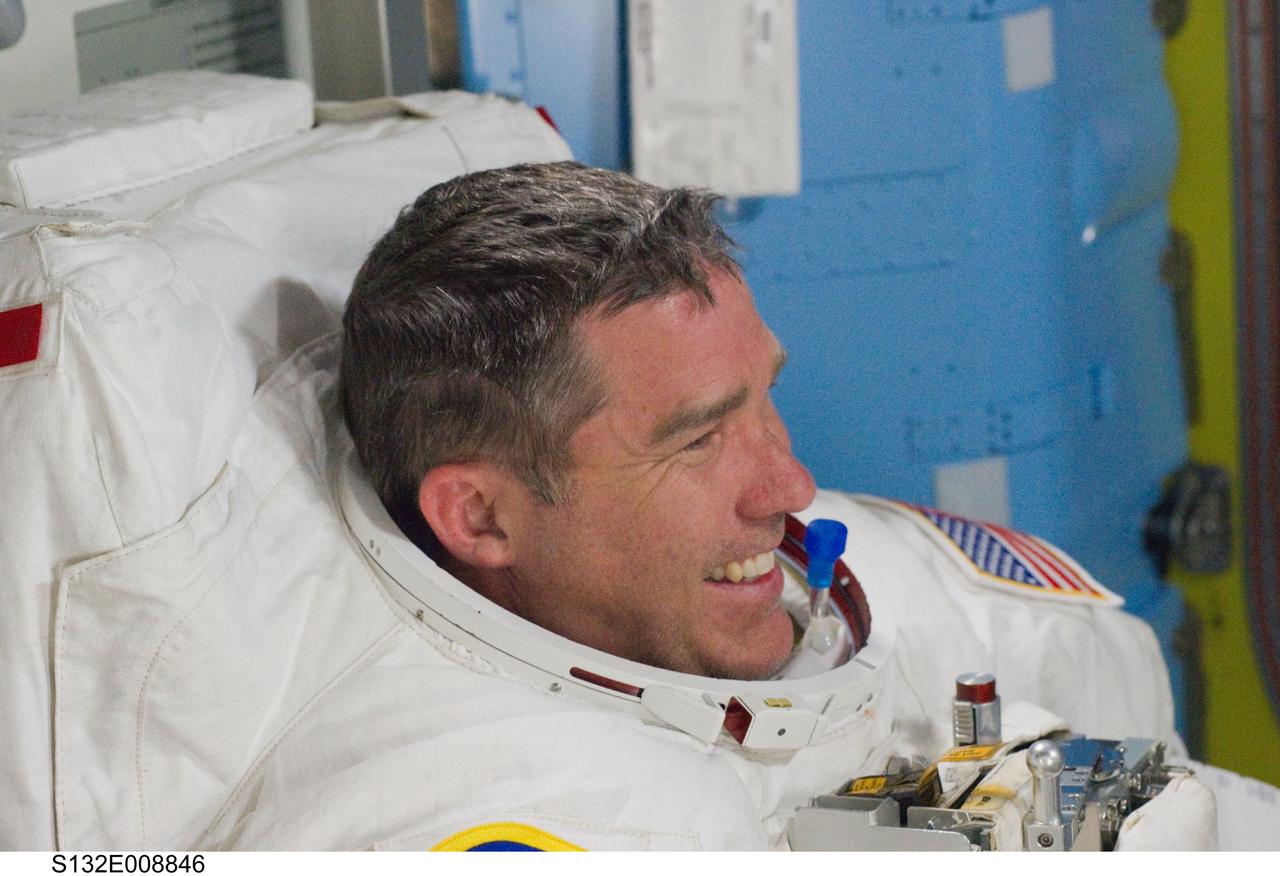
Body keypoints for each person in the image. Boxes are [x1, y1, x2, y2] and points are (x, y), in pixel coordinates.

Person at [222, 162, 1200, 849]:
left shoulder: (879, 589)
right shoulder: (476, 798)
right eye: (696, 438)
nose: (789, 486)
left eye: (762, 399)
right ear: (479, 519)